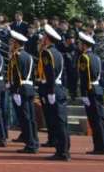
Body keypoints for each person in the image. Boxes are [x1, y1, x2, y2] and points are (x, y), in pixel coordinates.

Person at [37, 24, 69, 161]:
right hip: (58, 87)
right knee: (60, 121)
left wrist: (50, 91)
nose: (42, 39)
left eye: (44, 36)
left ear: (47, 38)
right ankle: (63, 149)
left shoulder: (47, 53)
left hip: (52, 88)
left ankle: (62, 152)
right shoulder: (58, 53)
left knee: (57, 121)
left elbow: (50, 73)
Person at [77, 31, 104, 155]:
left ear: (84, 45)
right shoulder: (96, 57)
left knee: (95, 120)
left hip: (90, 90)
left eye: (80, 43)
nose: (79, 45)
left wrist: (84, 93)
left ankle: (99, 147)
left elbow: (84, 77)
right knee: (100, 119)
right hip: (97, 88)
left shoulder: (84, 57)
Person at [9, 29, 39, 154]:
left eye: (12, 43)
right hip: (29, 88)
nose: (11, 45)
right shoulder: (29, 56)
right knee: (31, 117)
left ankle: (30, 144)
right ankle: (34, 140)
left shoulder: (16, 56)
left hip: (20, 89)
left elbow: (16, 75)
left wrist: (15, 90)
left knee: (24, 118)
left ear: (17, 43)